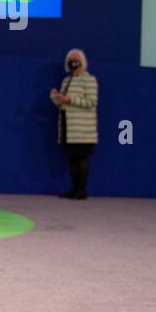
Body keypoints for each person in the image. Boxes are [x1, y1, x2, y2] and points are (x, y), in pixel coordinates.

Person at [51, 48, 98, 200]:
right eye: (71, 58)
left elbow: (92, 102)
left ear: (82, 61)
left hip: (82, 129)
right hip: (67, 126)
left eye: (76, 58)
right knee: (71, 158)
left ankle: (82, 190)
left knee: (81, 158)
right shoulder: (66, 80)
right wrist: (56, 98)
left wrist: (71, 99)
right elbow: (63, 104)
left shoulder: (89, 79)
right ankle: (74, 188)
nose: (73, 61)